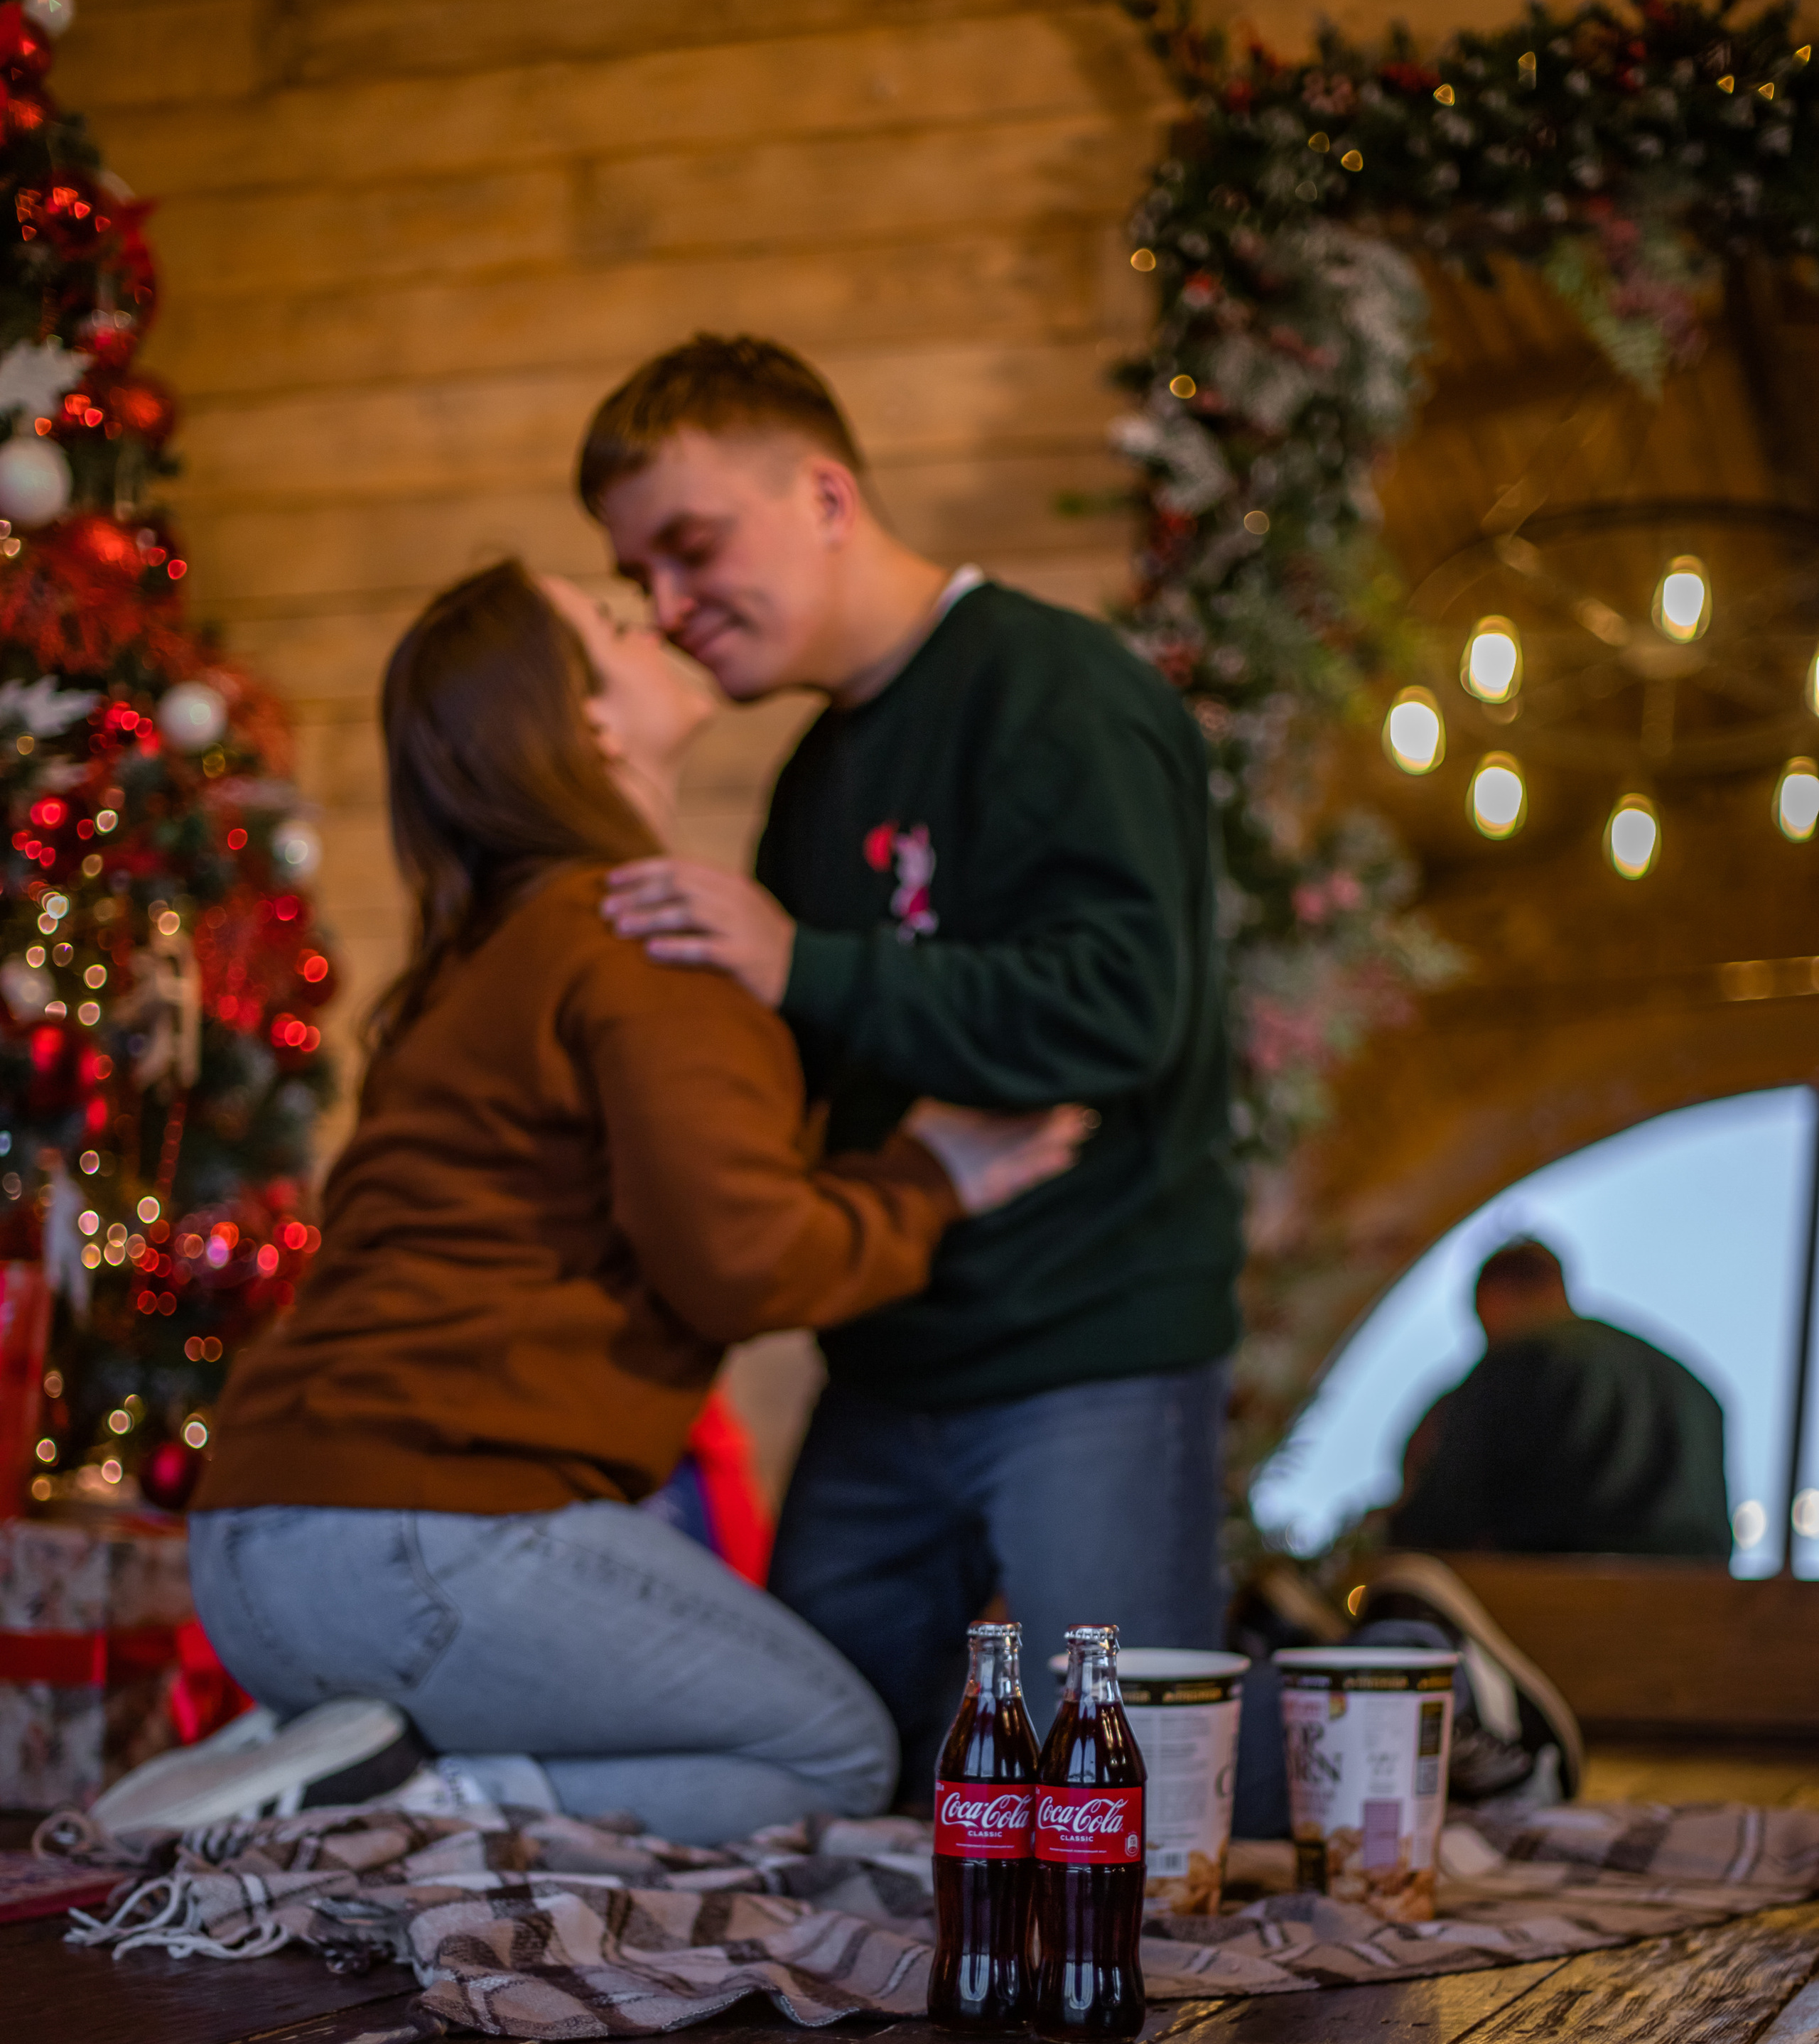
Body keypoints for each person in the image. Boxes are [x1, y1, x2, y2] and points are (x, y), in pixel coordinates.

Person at [186, 560, 1085, 1843]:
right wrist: (931, 1176)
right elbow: (745, 1263)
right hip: (422, 1538)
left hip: (257, 1546)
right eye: (614, 625)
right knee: (830, 1748)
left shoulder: (486, 954)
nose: (662, 614)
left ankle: (312, 1777)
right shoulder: (645, 939)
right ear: (587, 725)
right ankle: (400, 1812)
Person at [577, 334, 1241, 1800]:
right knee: (814, 1767)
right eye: (641, 583)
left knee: (1125, 1798)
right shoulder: (818, 770)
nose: (671, 611)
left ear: (821, 492)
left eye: (690, 551)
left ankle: (1458, 1737)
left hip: (1090, 1352)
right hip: (884, 1357)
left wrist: (801, 963)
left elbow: (1122, 1009)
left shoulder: (1053, 690)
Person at [1390, 1236, 1732, 1559]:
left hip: (1554, 1598)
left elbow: (1447, 1514)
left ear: (1497, 1296)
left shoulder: (1517, 1362)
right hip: (1699, 1601)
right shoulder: (1691, 1385)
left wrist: (1391, 1530)